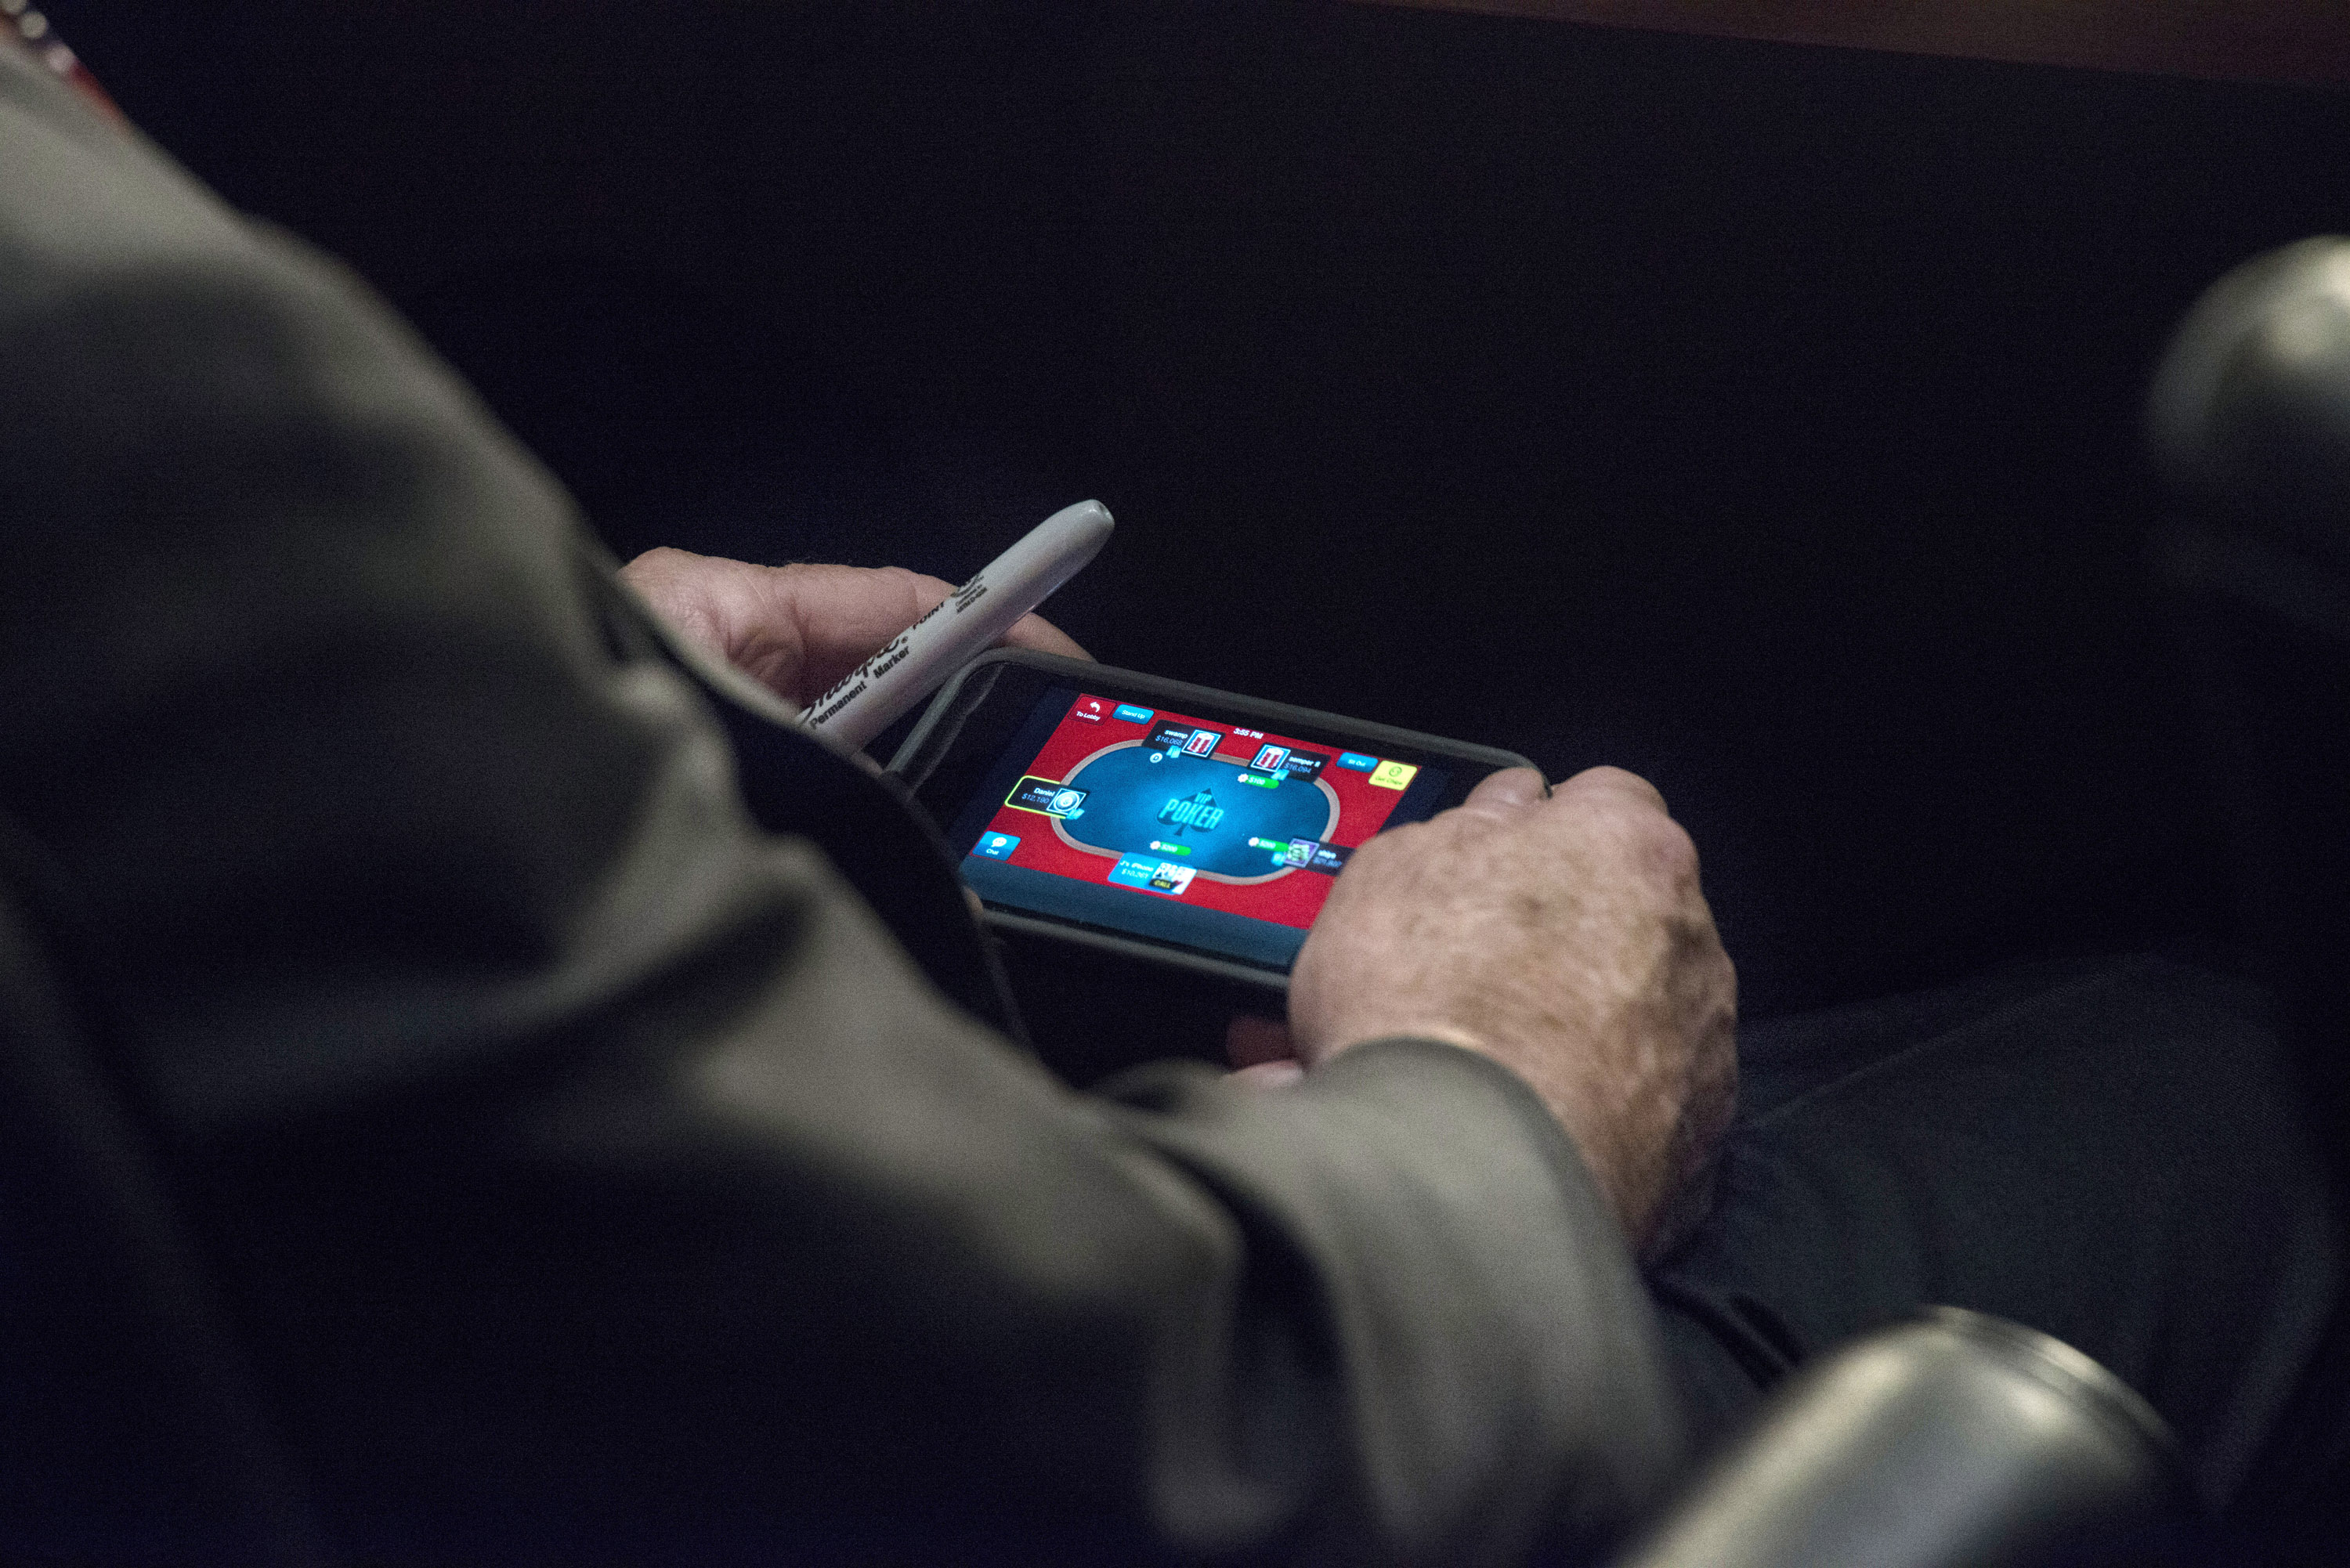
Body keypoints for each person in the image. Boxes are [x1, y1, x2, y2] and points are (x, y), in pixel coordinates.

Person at [0, 23, 2337, 1565]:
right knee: (2239, 1076)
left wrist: (541, 685)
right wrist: (1495, 1095)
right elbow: (1108, 1461)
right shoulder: (98, 356)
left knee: (633, 359)